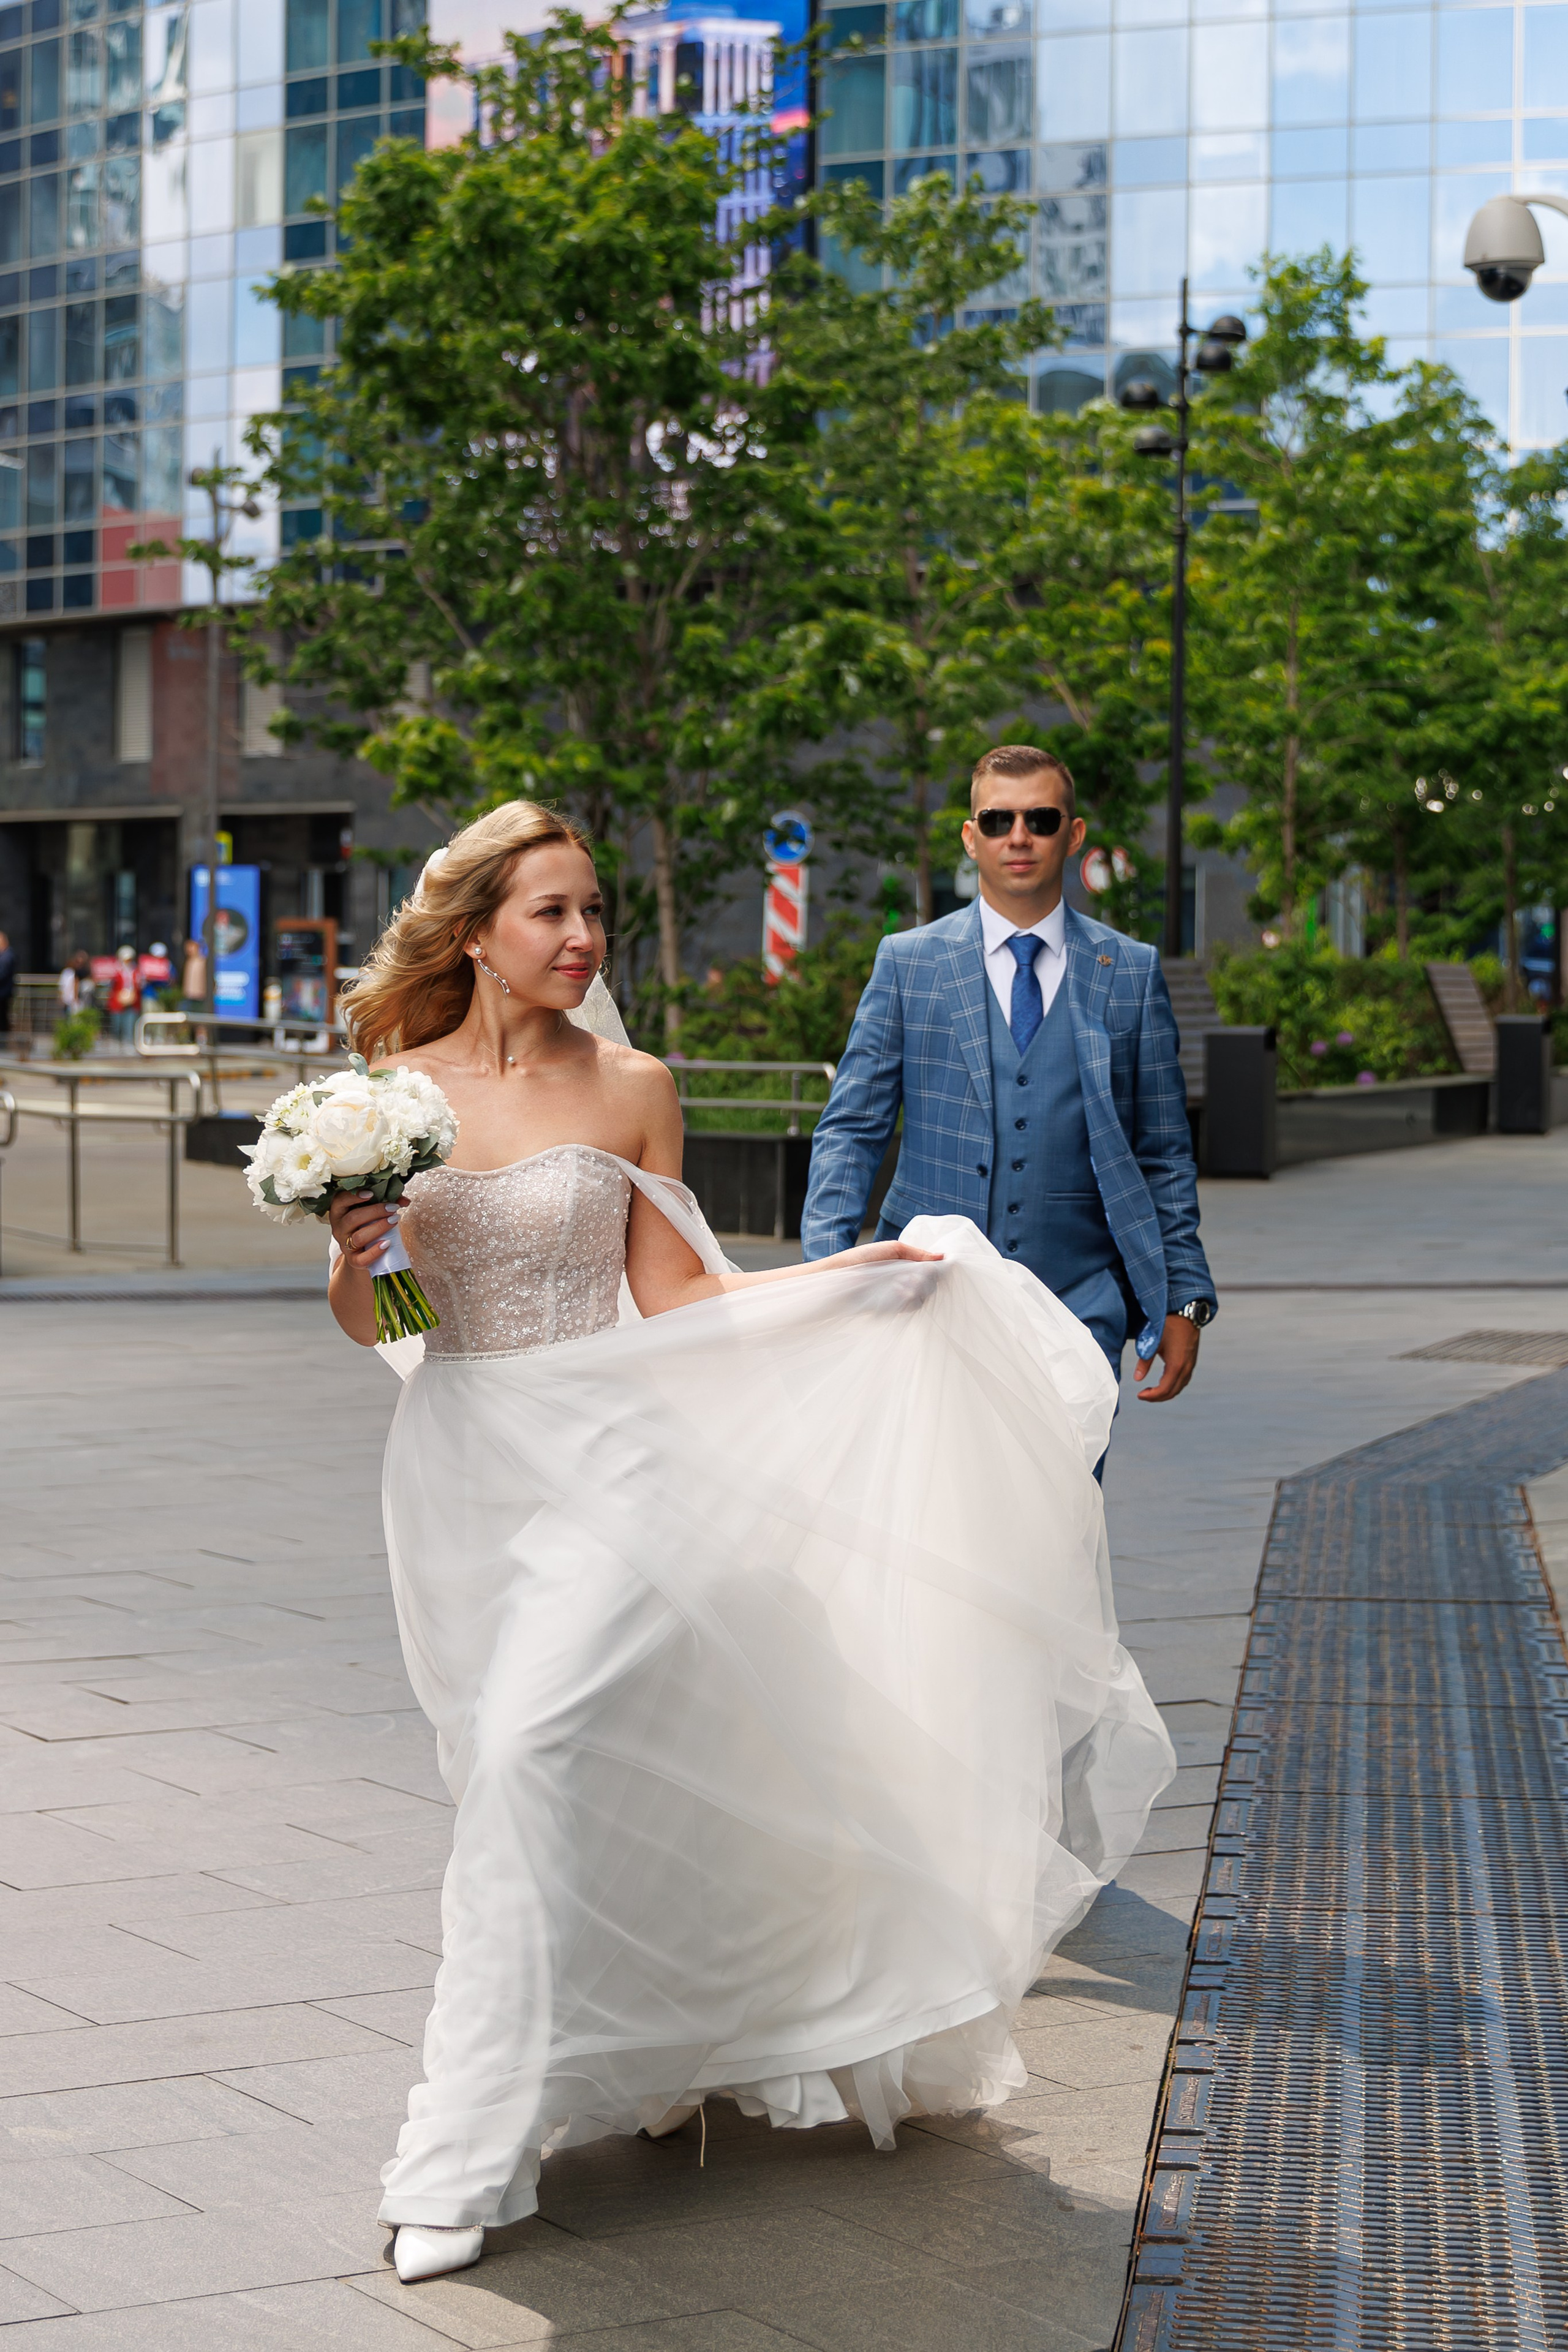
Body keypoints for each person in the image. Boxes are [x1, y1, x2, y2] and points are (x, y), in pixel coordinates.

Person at [325, 800, 1174, 2286]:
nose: (582, 936)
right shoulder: (387, 1100)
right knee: (538, 1777)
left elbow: (680, 1299)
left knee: (525, 1754)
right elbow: (386, 1324)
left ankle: (455, 2148)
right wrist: (360, 1257)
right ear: (474, 932)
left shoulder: (631, 1083)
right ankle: (652, 2036)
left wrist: (849, 1279)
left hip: (617, 1462)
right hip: (461, 1472)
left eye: (594, 909)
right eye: (550, 911)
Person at [802, 744, 1216, 1457]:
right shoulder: (908, 964)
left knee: (1062, 1507)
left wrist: (1184, 1296)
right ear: (971, 838)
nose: (1017, 837)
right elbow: (851, 1129)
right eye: (997, 820)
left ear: (1072, 834)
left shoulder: (1129, 971)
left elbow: (1163, 1152)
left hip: (1078, 1306)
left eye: (1039, 819)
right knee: (940, 1506)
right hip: (925, 1302)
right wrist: (825, 1271)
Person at [105, 944, 139, 1046]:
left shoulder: (136, 970)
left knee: (130, 1023)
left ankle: (128, 1042)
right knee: (117, 1023)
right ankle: (116, 1041)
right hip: (117, 1001)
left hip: (132, 1001)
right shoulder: (115, 970)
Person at [0, 929, 14, 1040]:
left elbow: (2, 974)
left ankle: (3, 1042)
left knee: (3, 1019)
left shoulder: (7, 956)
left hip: (3, 994)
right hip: (4, 993)